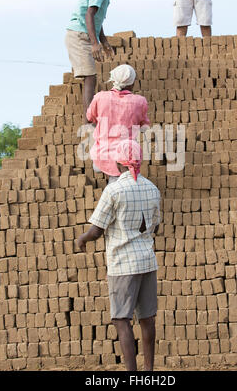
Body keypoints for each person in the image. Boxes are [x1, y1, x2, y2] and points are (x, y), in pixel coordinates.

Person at [77, 139, 161, 371]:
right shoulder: (152, 189)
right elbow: (157, 227)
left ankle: (131, 373)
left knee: (122, 320)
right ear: (139, 162)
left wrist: (82, 239)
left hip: (123, 264)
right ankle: (148, 372)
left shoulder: (113, 190)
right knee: (147, 318)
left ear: (117, 163)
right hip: (147, 261)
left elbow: (96, 230)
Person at [65, 0, 129, 123]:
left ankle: (90, 117)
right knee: (90, 77)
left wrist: (104, 41)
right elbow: (89, 14)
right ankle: (89, 120)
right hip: (79, 34)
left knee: (91, 76)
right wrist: (95, 43)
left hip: (84, 33)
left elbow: (96, 19)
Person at [86, 64, 150, 184]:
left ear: (113, 80)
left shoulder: (100, 97)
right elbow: (144, 127)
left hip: (101, 157)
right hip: (125, 159)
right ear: (132, 83)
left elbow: (90, 117)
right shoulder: (140, 101)